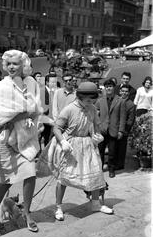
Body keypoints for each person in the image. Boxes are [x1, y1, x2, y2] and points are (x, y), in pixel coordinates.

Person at [39, 82, 114, 221]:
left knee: (96, 174)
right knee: (64, 178)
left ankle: (96, 204)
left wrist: (98, 136)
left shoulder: (92, 109)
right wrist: (62, 141)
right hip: (71, 145)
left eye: (93, 99)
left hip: (88, 145)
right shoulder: (69, 109)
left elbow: (96, 127)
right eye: (87, 99)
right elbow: (56, 128)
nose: (90, 102)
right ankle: (58, 207)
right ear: (79, 96)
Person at [0, 50, 42, 234]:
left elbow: (37, 109)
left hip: (25, 135)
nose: (11, 67)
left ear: (23, 65)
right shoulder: (2, 86)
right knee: (7, 181)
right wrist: (25, 111)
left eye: (15, 64)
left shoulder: (32, 82)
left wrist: (25, 113)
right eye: (8, 63)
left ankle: (26, 213)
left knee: (31, 172)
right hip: (4, 137)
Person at [95, 79, 126, 178]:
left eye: (111, 86)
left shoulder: (120, 100)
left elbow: (122, 117)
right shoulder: (100, 100)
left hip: (114, 130)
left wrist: (121, 130)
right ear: (105, 88)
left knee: (112, 152)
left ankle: (111, 169)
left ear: (114, 88)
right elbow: (96, 115)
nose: (109, 88)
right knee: (100, 151)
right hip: (102, 130)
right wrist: (97, 128)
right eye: (107, 86)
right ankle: (99, 169)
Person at [115, 84, 136, 170]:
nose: (124, 93)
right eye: (122, 91)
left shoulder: (130, 104)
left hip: (124, 130)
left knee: (121, 148)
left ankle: (120, 165)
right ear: (120, 91)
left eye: (126, 91)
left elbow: (131, 120)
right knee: (113, 147)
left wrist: (124, 130)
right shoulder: (116, 100)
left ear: (128, 93)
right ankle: (113, 162)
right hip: (114, 128)